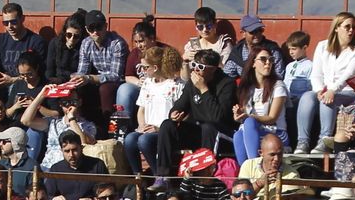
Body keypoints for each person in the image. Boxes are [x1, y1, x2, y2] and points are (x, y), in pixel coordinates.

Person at [156, 50, 237, 179]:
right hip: (198, 131)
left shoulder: (227, 84)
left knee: (208, 127)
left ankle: (203, 177)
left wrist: (204, 89)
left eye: (201, 67)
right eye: (194, 65)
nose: (196, 70)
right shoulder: (192, 83)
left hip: (220, 133)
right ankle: (162, 177)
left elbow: (217, 117)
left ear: (213, 69)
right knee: (167, 125)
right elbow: (180, 105)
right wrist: (174, 114)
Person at [295, 12, 355, 153]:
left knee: (328, 100)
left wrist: (332, 90)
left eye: (354, 27)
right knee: (307, 97)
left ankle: (324, 140)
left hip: (347, 93)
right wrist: (319, 90)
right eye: (347, 27)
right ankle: (302, 142)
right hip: (325, 90)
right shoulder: (322, 46)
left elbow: (349, 75)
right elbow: (316, 73)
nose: (351, 30)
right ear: (337, 28)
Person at [124, 44, 186, 178]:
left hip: (165, 132)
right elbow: (141, 109)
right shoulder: (148, 83)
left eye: (145, 67)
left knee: (144, 141)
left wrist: (158, 128)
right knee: (129, 139)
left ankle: (159, 176)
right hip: (148, 128)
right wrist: (142, 125)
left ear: (155, 67)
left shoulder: (176, 84)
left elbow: (183, 114)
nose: (143, 70)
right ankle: (138, 176)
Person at [231, 46, 290, 162]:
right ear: (253, 63)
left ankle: (254, 166)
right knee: (237, 135)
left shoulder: (278, 86)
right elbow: (246, 118)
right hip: (255, 132)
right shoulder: (248, 88)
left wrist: (248, 117)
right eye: (263, 59)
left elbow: (272, 118)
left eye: (271, 60)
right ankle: (245, 170)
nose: (268, 63)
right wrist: (238, 115)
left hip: (277, 133)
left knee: (249, 122)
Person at [43, 132, 109, 200]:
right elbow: (45, 197)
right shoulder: (56, 169)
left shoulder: (97, 165)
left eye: (74, 150)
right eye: (67, 151)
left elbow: (109, 191)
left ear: (81, 148)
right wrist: (53, 199)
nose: (71, 155)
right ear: (61, 151)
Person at [0, 2, 46, 98]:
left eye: (13, 22)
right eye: (5, 23)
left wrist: (13, 80)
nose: (9, 26)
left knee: (14, 87)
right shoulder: (1, 39)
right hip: (1, 81)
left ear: (22, 19)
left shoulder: (36, 41)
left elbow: (40, 72)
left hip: (22, 82)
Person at [70, 10, 126, 121]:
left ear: (105, 26)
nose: (95, 32)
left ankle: (107, 125)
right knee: (78, 86)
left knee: (105, 89)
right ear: (87, 29)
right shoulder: (86, 43)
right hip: (95, 79)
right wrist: (78, 78)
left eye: (99, 27)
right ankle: (81, 123)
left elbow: (116, 75)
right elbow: (83, 71)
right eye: (91, 28)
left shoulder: (117, 43)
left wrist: (90, 78)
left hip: (116, 82)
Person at [223, 14, 283, 80]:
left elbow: (279, 75)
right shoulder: (237, 51)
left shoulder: (272, 50)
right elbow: (227, 75)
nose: (257, 34)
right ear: (243, 33)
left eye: (260, 30)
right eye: (253, 32)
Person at [45, 13, 88, 85]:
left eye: (76, 36)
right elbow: (49, 69)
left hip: (75, 83)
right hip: (56, 82)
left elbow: (82, 72)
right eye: (69, 35)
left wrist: (62, 80)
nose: (72, 39)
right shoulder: (55, 43)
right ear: (65, 32)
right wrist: (51, 80)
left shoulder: (84, 47)